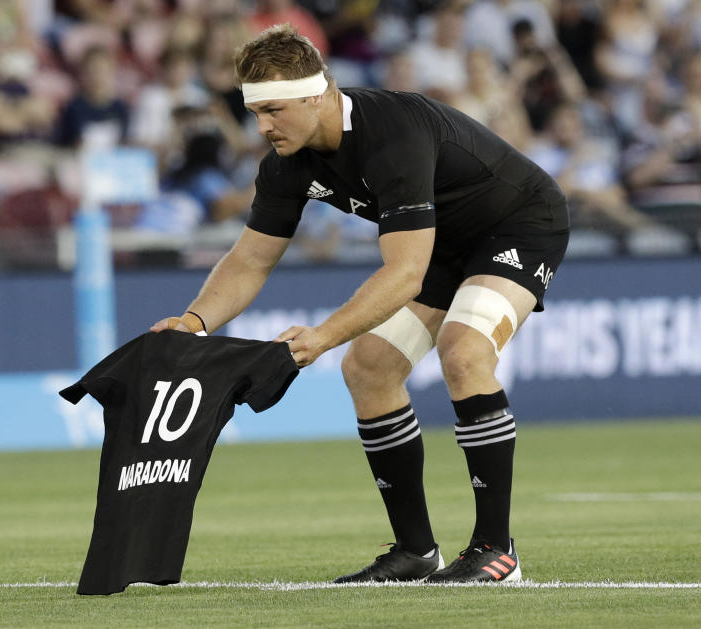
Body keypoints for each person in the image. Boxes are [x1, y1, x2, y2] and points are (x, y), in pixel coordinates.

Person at [151, 24, 571, 584]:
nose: (263, 125)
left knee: (464, 352)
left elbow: (404, 272)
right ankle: (416, 551)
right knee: (369, 368)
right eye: (255, 112)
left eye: (274, 109)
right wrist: (194, 322)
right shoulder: (286, 161)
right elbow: (250, 260)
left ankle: (498, 550)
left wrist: (322, 335)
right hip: (442, 240)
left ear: (317, 93)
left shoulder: (392, 133)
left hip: (519, 222)